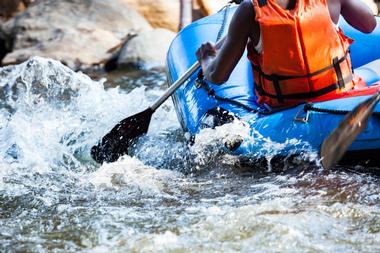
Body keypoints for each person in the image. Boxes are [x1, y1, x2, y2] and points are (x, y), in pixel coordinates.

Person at [195, 0, 377, 107]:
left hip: (284, 111)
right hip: (342, 100)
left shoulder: (249, 11)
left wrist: (207, 58)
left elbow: (217, 76)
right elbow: (369, 24)